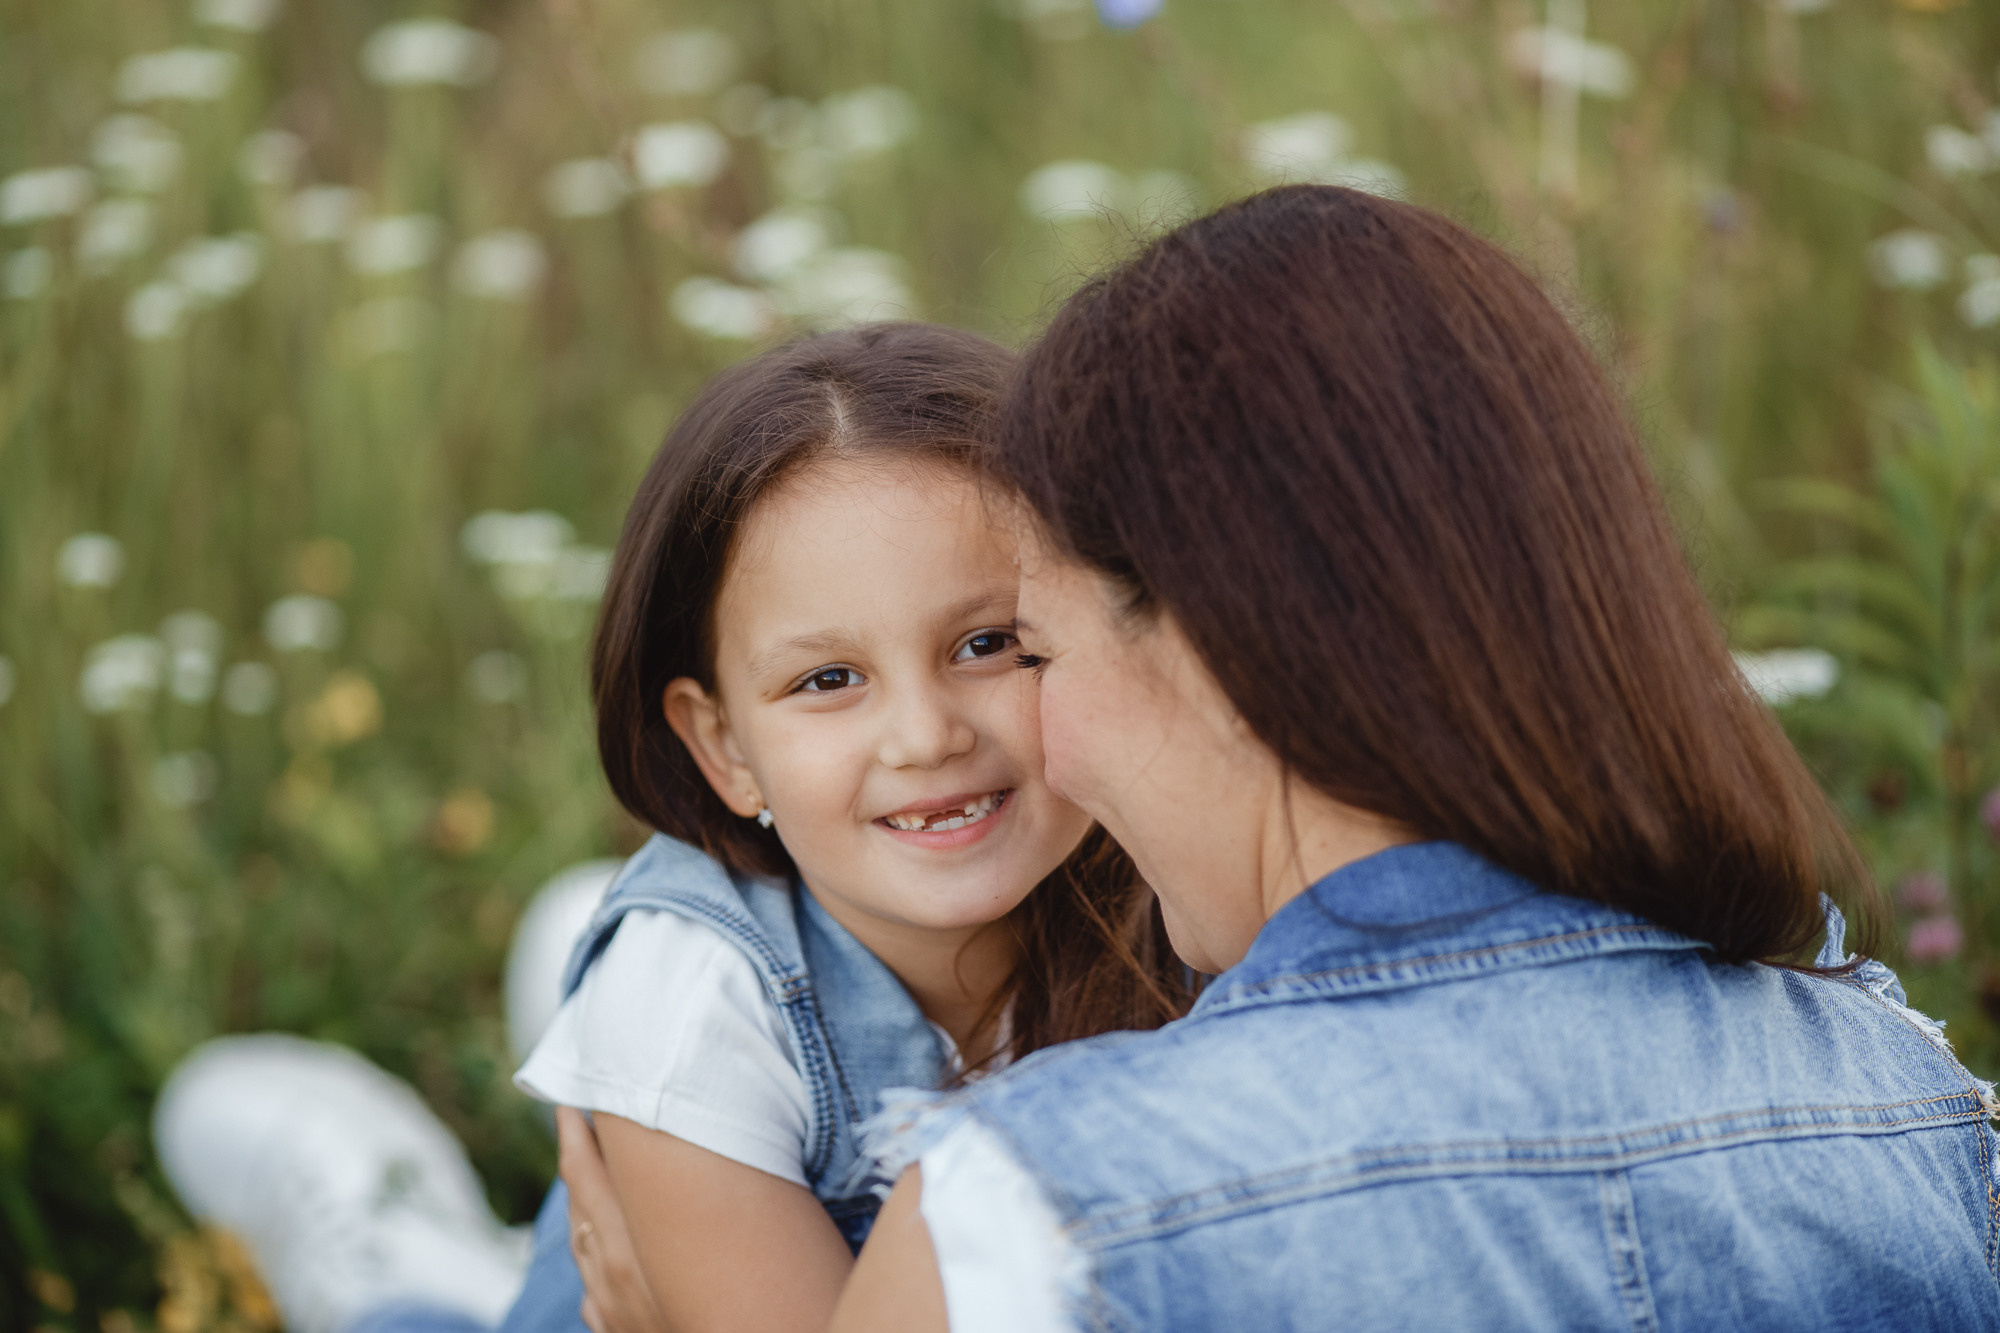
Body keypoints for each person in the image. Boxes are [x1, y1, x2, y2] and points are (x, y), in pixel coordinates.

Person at [821, 186, 2000, 1331]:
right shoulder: (1906, 1095)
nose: (1046, 750)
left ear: (1217, 645)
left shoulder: (1033, 1217)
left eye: (1031, 651)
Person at [155, 323, 1189, 1333]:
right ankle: (398, 1255)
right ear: (725, 745)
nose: (925, 736)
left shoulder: (1178, 876)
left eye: (987, 643)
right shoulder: (697, 1009)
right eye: (829, 678)